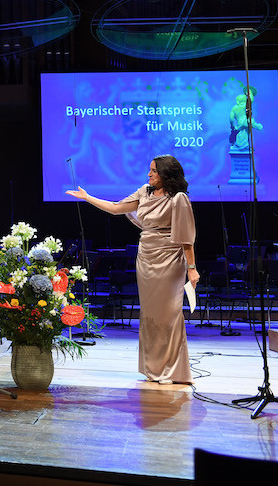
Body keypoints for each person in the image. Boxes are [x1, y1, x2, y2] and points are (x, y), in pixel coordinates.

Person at [66, 154, 199, 384]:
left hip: (169, 259)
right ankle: (153, 368)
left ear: (166, 173)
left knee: (168, 315)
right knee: (150, 315)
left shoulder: (178, 199)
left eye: (154, 170)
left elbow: (186, 237)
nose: (149, 174)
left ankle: (171, 370)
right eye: (150, 170)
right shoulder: (144, 192)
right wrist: (88, 198)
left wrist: (192, 268)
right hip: (146, 258)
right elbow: (116, 208)